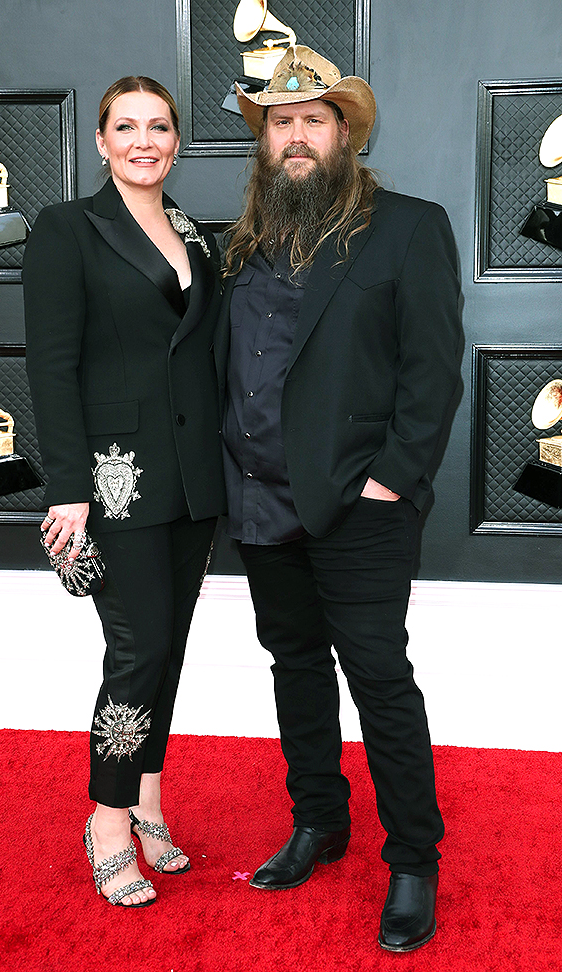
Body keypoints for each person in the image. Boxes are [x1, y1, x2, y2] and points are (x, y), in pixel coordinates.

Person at [215, 46, 461, 951]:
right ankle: (320, 820)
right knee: (294, 668)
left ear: (346, 133)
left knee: (377, 676)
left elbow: (433, 373)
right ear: (265, 141)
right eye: (281, 121)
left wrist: (390, 479)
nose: (297, 135)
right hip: (259, 502)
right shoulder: (239, 243)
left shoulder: (408, 226)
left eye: (314, 119)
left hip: (362, 504)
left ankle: (414, 858)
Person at [23, 76, 225, 908]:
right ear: (101, 142)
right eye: (127, 127)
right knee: (136, 650)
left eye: (160, 127)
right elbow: (51, 364)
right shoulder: (67, 229)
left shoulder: (194, 234)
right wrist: (69, 488)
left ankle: (146, 800)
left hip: (193, 478)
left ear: (176, 142)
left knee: (168, 649)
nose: (145, 140)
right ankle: (106, 822)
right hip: (116, 479)